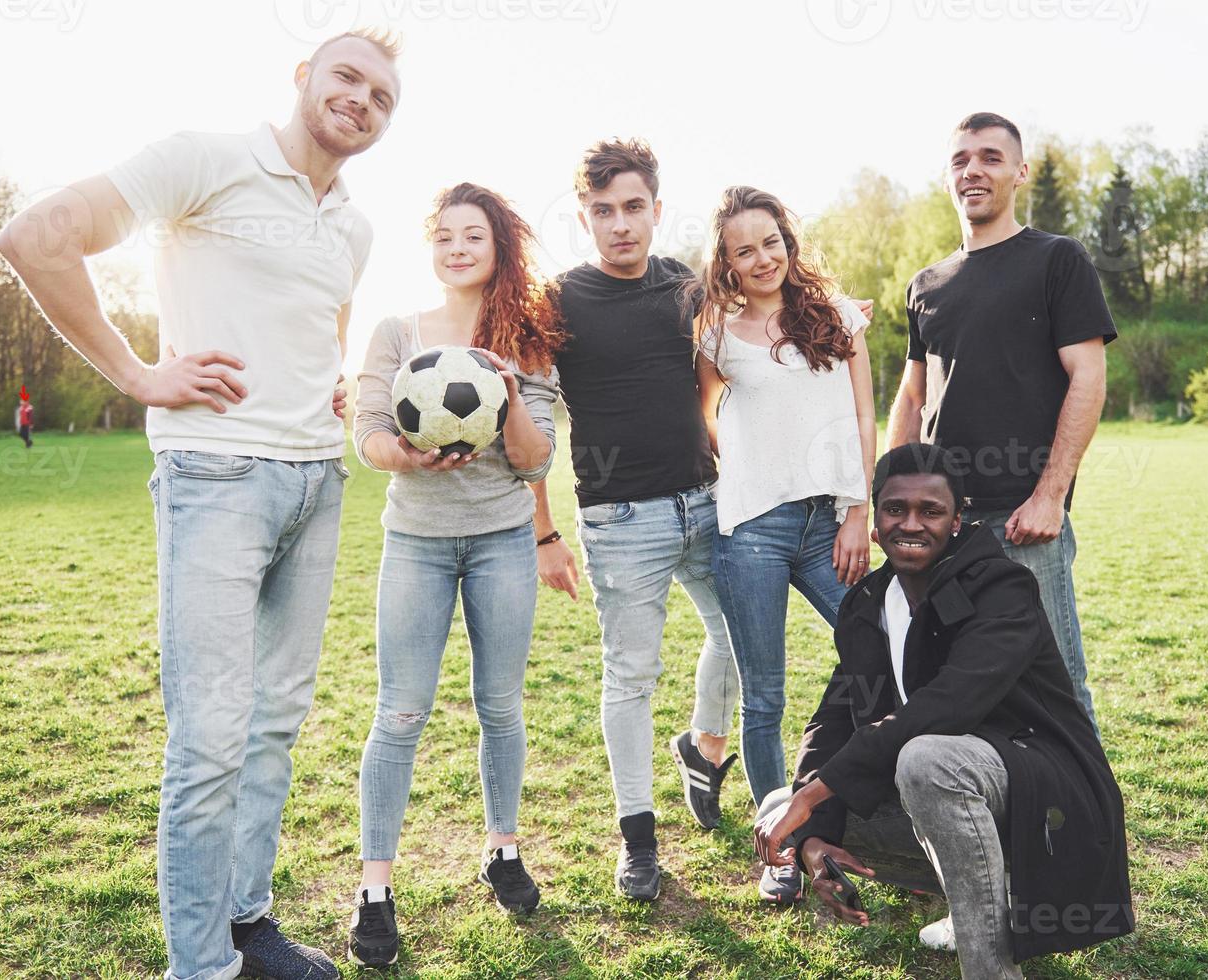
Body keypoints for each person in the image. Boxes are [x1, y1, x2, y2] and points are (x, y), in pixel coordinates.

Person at [0, 29, 399, 980]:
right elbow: (34, 236)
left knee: (272, 727)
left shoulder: (354, 225)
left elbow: (321, 326)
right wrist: (136, 370)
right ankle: (199, 967)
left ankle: (246, 927)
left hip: (317, 484)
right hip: (216, 478)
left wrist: (331, 386)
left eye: (384, 96)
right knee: (211, 736)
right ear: (302, 77)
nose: (362, 101)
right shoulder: (206, 158)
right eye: (346, 77)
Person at [754, 444, 1133, 979]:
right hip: (956, 798)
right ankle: (979, 899)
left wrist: (818, 792)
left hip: (1041, 797)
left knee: (926, 760)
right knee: (778, 803)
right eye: (895, 509)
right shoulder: (868, 603)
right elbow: (835, 717)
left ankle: (992, 969)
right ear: (875, 521)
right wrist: (814, 830)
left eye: (930, 511)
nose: (911, 524)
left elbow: (950, 704)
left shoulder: (1002, 587)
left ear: (957, 521)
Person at [345, 183, 562, 966]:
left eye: (474, 235)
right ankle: (375, 888)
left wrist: (506, 396)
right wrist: (405, 454)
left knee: (500, 704)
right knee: (399, 713)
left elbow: (538, 460)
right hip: (417, 542)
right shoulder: (395, 332)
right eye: (444, 236)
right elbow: (368, 432)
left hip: (503, 541)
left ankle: (502, 849)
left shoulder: (529, 338)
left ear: (499, 246)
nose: (458, 247)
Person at [530, 138, 741, 901]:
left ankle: (701, 744)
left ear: (656, 207)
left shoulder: (684, 284)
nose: (621, 225)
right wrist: (545, 532)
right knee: (630, 679)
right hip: (619, 520)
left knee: (741, 641)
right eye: (603, 211)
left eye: (633, 208)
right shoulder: (558, 301)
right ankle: (639, 840)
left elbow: (720, 382)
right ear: (584, 216)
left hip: (707, 502)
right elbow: (529, 416)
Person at [886, 112, 1115, 734]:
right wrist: (887, 500)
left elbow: (1088, 378)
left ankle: (1091, 830)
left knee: (1057, 688)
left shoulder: (1056, 260)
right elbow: (912, 396)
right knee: (955, 690)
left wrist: (1049, 497)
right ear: (947, 179)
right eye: (960, 160)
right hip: (942, 526)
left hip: (1022, 524)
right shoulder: (925, 284)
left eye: (990, 157)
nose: (973, 170)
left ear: (1020, 172)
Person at [693, 186, 876, 905]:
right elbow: (706, 419)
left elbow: (865, 414)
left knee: (881, 648)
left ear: (787, 243)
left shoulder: (836, 316)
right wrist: (749, 469)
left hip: (830, 525)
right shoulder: (713, 334)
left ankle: (874, 809)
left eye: (770, 242)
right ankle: (779, 846)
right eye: (744, 250)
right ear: (728, 263)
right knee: (763, 694)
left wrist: (858, 509)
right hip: (752, 533)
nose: (761, 258)